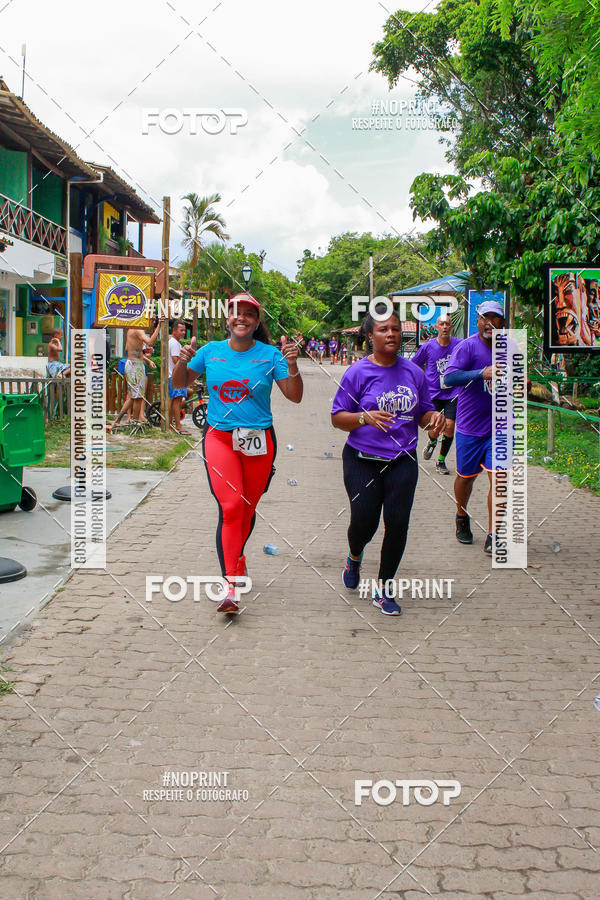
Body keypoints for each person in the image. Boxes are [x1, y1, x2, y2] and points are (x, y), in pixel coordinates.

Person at [172, 293, 303, 614]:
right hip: (219, 437)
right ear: (227, 319)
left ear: (257, 322)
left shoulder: (271, 355)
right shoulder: (210, 352)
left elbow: (295, 396)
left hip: (258, 440)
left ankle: (238, 557)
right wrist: (181, 360)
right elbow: (178, 383)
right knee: (231, 507)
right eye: (235, 313)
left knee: (246, 508)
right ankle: (230, 584)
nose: (241, 318)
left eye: (248, 314)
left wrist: (293, 364)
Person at [331, 306, 445, 616]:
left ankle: (384, 589)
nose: (391, 333)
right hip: (362, 460)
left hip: (402, 459)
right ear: (370, 336)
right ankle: (355, 555)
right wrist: (364, 418)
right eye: (383, 329)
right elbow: (338, 419)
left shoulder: (413, 372)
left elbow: (423, 412)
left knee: (397, 524)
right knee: (364, 522)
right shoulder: (357, 372)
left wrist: (433, 419)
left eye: (395, 328)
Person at [444, 300, 505, 553]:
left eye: (496, 318)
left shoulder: (509, 347)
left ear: (502, 322)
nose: (490, 322)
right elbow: (449, 378)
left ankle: (494, 535)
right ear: (478, 321)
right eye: (485, 317)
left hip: (500, 427)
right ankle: (461, 514)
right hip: (470, 427)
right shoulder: (467, 347)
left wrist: (523, 381)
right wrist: (481, 373)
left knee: (501, 479)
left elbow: (519, 378)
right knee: (465, 479)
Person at [411, 314, 462, 474]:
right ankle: (432, 441)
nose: (445, 327)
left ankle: (441, 461)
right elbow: (414, 365)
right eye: (442, 324)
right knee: (435, 427)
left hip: (453, 392)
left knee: (449, 425)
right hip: (432, 393)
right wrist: (418, 384)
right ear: (436, 327)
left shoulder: (459, 345)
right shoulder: (428, 347)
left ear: (451, 327)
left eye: (448, 324)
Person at [124, 318, 162, 424]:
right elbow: (150, 342)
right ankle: (135, 422)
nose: (152, 322)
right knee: (137, 396)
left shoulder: (132, 328)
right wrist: (159, 326)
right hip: (135, 365)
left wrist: (144, 351)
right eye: (151, 319)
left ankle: (127, 419)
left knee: (135, 395)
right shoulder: (139, 329)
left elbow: (128, 347)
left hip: (134, 363)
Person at [168, 320, 190, 434]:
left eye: (184, 331)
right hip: (175, 377)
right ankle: (178, 425)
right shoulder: (175, 343)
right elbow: (176, 360)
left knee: (173, 401)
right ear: (174, 330)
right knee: (176, 402)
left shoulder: (173, 342)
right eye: (181, 330)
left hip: (172, 376)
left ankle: (171, 424)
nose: (183, 333)